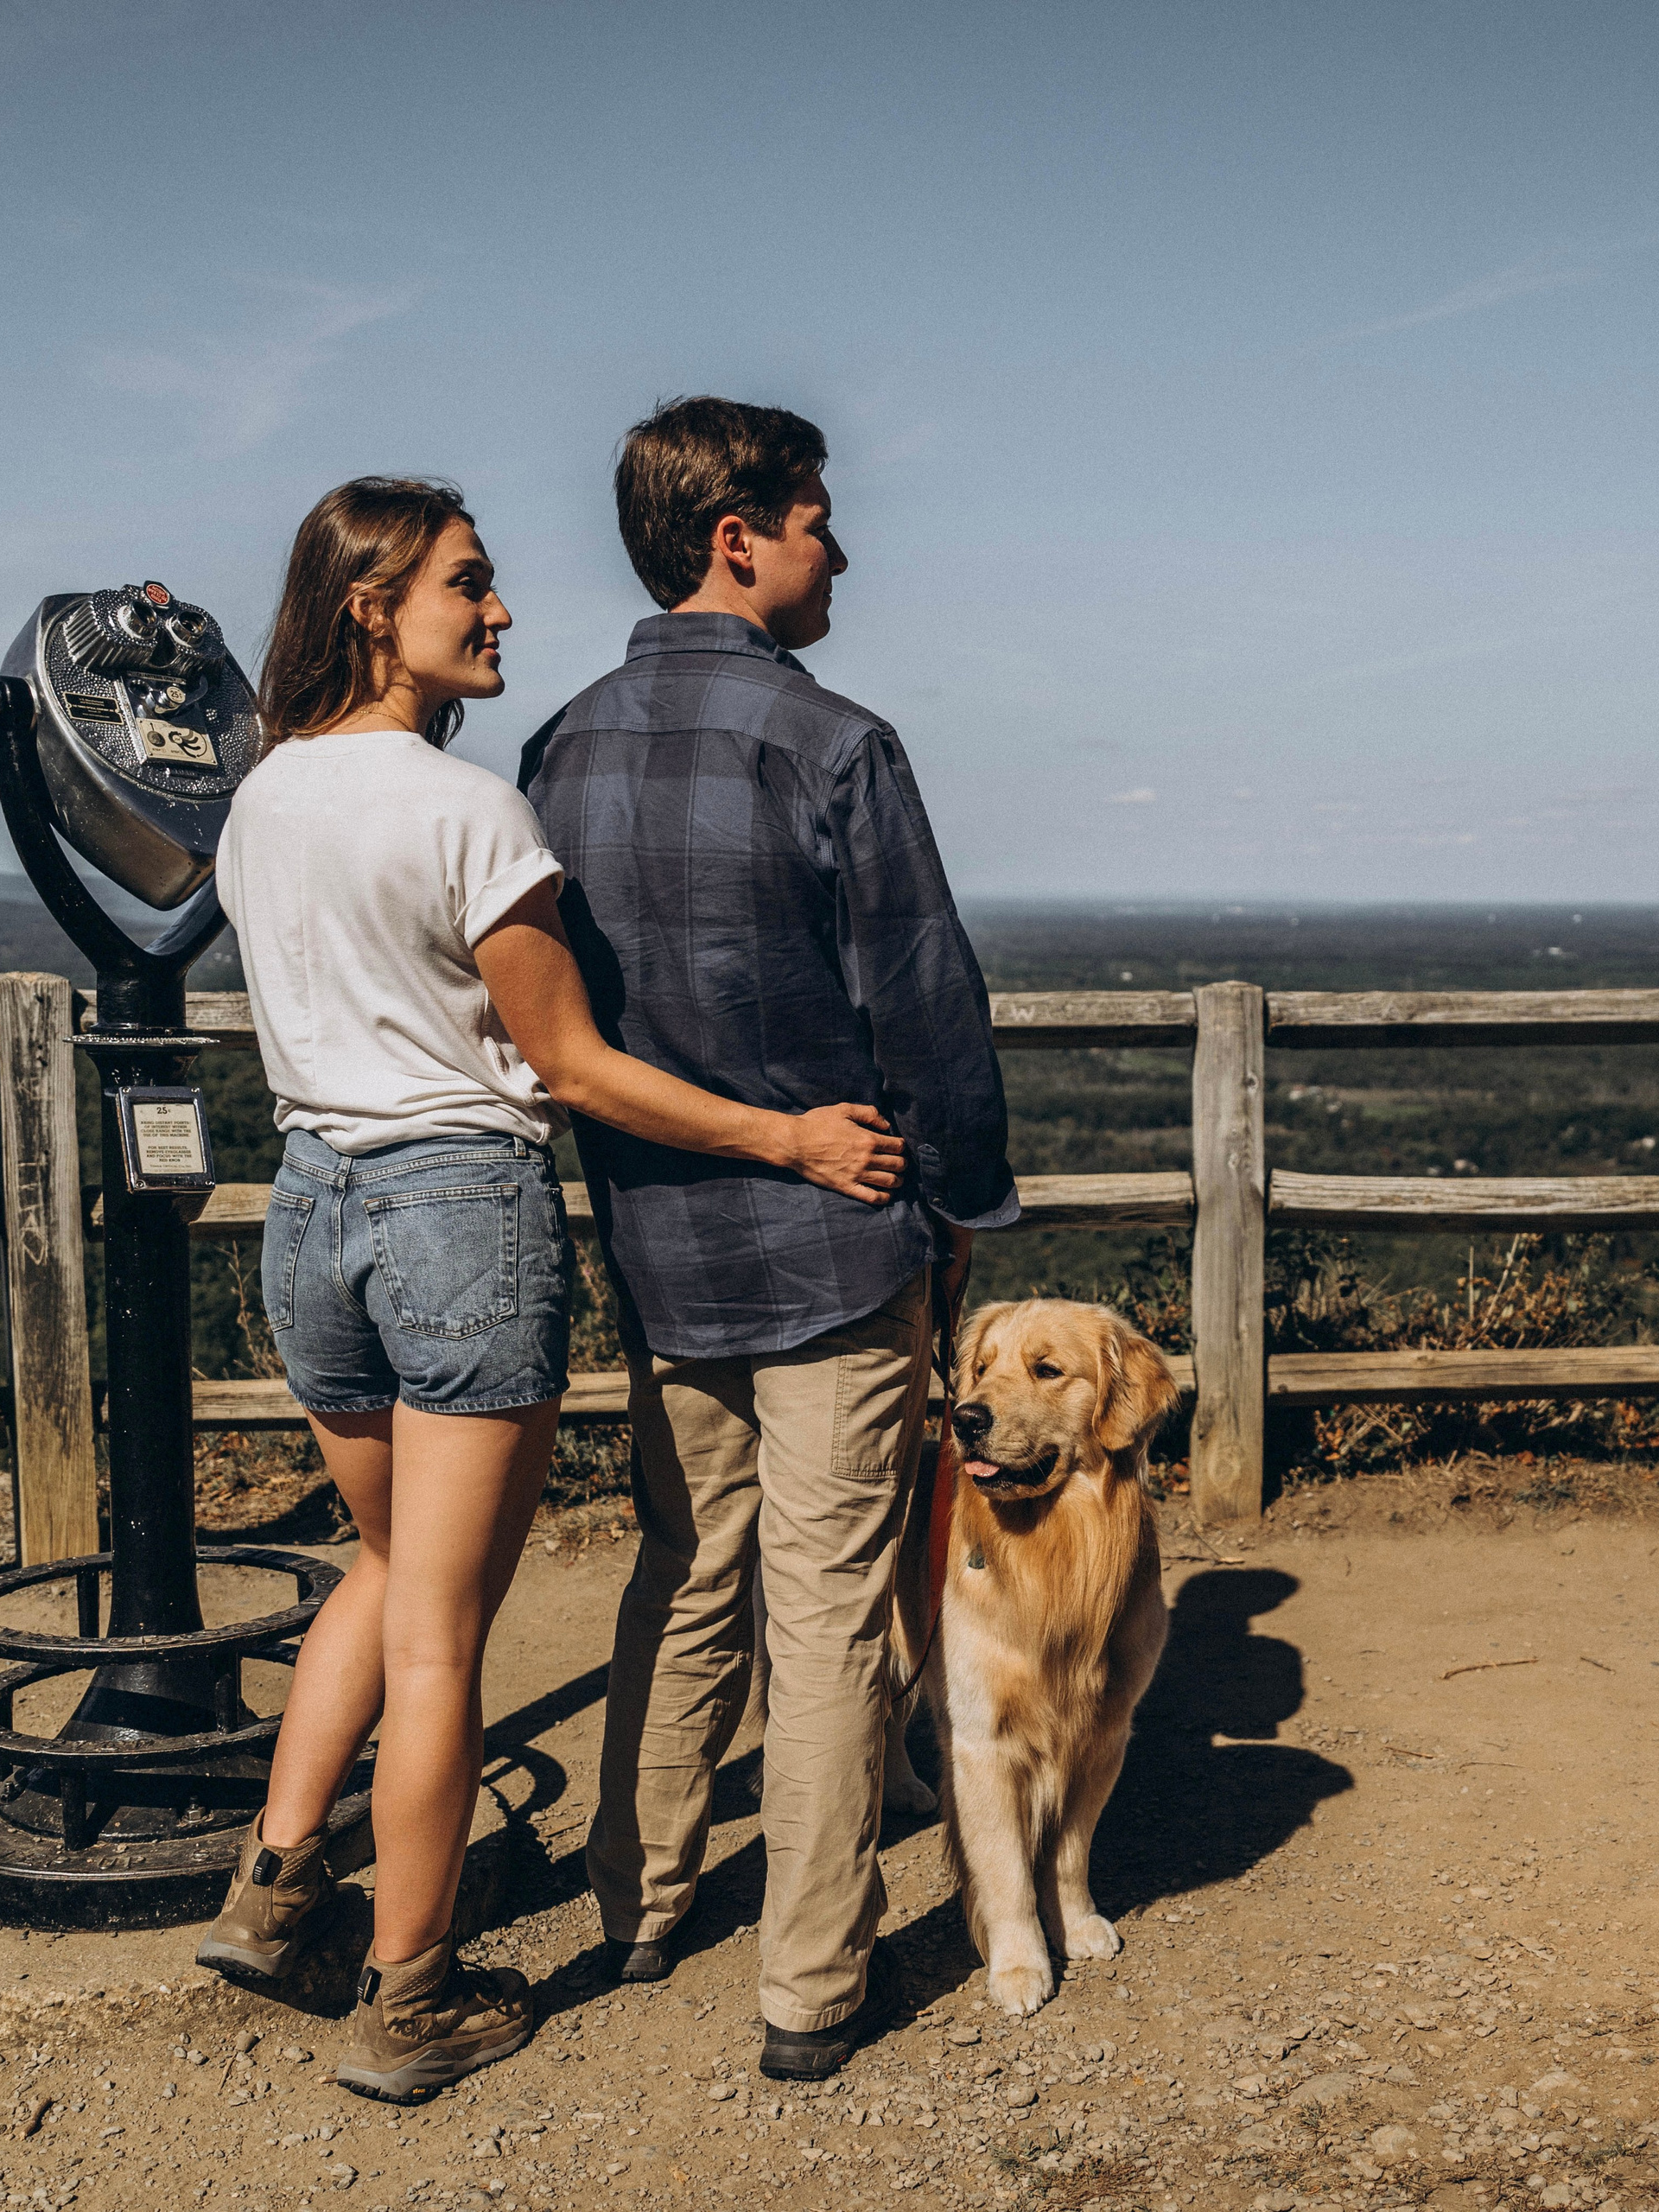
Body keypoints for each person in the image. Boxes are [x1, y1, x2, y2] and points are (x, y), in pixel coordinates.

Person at [200, 475, 904, 2105]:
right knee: (444, 1632)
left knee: (379, 1573)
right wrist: (789, 1138)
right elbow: (574, 1065)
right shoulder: (465, 814)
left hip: (311, 1211)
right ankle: (412, 1993)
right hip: (453, 1210)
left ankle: (278, 1885)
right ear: (374, 606)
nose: (501, 609)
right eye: (469, 583)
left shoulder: (262, 800)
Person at [520, 397, 1019, 2079]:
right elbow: (928, 1008)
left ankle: (638, 1896)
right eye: (818, 517)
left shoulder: (554, 750)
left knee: (681, 1572)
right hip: (830, 1239)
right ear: (737, 537)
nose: (841, 545)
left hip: (659, 1257)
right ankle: (811, 1977)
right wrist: (962, 1208)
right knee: (822, 1608)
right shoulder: (836, 748)